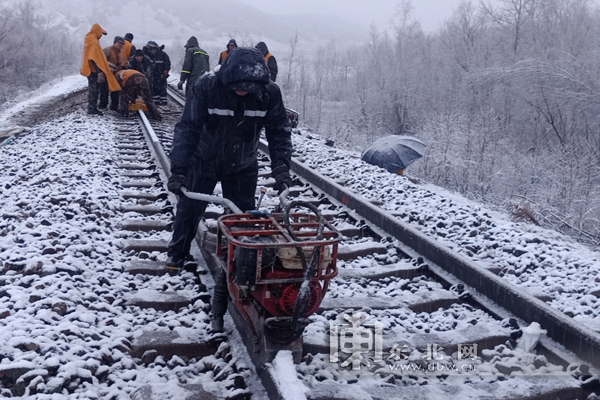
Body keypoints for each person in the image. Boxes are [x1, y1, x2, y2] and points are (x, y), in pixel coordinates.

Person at [166, 47, 293, 331]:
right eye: (238, 88)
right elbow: (188, 127)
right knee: (189, 209)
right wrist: (180, 169)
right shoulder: (207, 86)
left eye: (249, 89)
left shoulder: (269, 93)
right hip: (204, 159)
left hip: (243, 164)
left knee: (245, 223)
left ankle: (241, 271)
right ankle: (177, 253)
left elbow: (278, 132)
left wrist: (281, 167)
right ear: (227, 79)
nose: (243, 93)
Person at [80, 23, 120, 115]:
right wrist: (99, 69)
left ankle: (92, 107)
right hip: (92, 70)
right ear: (97, 32)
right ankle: (92, 109)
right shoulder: (93, 42)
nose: (101, 36)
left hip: (89, 68)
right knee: (94, 90)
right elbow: (94, 57)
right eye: (101, 33)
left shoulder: (90, 39)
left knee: (93, 89)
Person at [99, 36, 125, 111]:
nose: (121, 45)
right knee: (104, 91)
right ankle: (103, 106)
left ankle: (114, 107)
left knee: (116, 90)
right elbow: (101, 61)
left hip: (113, 75)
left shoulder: (119, 53)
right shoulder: (108, 50)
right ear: (115, 43)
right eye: (119, 43)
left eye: (122, 43)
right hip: (105, 75)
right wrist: (102, 73)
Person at [144, 41, 171, 105]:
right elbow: (143, 54)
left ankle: (163, 101)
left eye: (154, 49)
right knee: (154, 87)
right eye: (152, 49)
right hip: (153, 75)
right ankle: (156, 101)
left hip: (161, 74)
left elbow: (167, 63)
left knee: (162, 87)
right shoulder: (150, 54)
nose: (153, 51)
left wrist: (166, 72)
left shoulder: (163, 54)